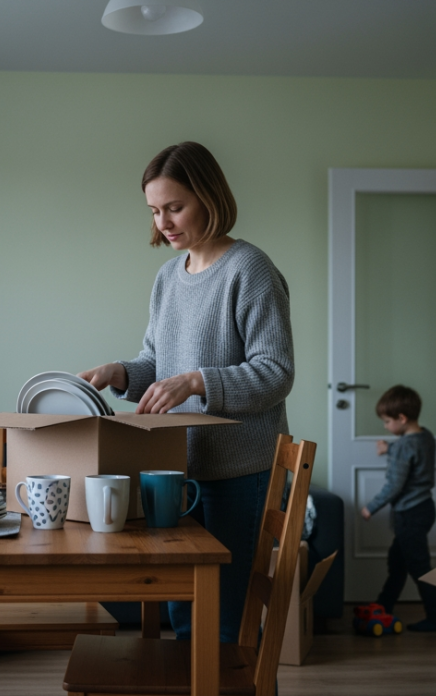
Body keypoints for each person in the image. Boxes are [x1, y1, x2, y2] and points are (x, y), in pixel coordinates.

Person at [80, 141, 294, 643]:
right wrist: (120, 373)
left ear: (210, 196)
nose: (163, 223)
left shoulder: (250, 269)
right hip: (175, 469)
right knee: (182, 616)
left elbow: (276, 372)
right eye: (155, 211)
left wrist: (200, 380)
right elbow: (158, 364)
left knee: (225, 625)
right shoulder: (167, 278)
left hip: (239, 472)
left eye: (174, 207)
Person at [359, 385, 436, 631]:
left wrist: (371, 508)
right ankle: (383, 607)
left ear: (402, 418)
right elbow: (411, 452)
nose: (385, 427)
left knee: (419, 567)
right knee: (397, 563)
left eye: (387, 421)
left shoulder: (404, 447)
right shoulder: (425, 436)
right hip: (424, 509)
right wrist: (391, 449)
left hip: (409, 514)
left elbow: (394, 485)